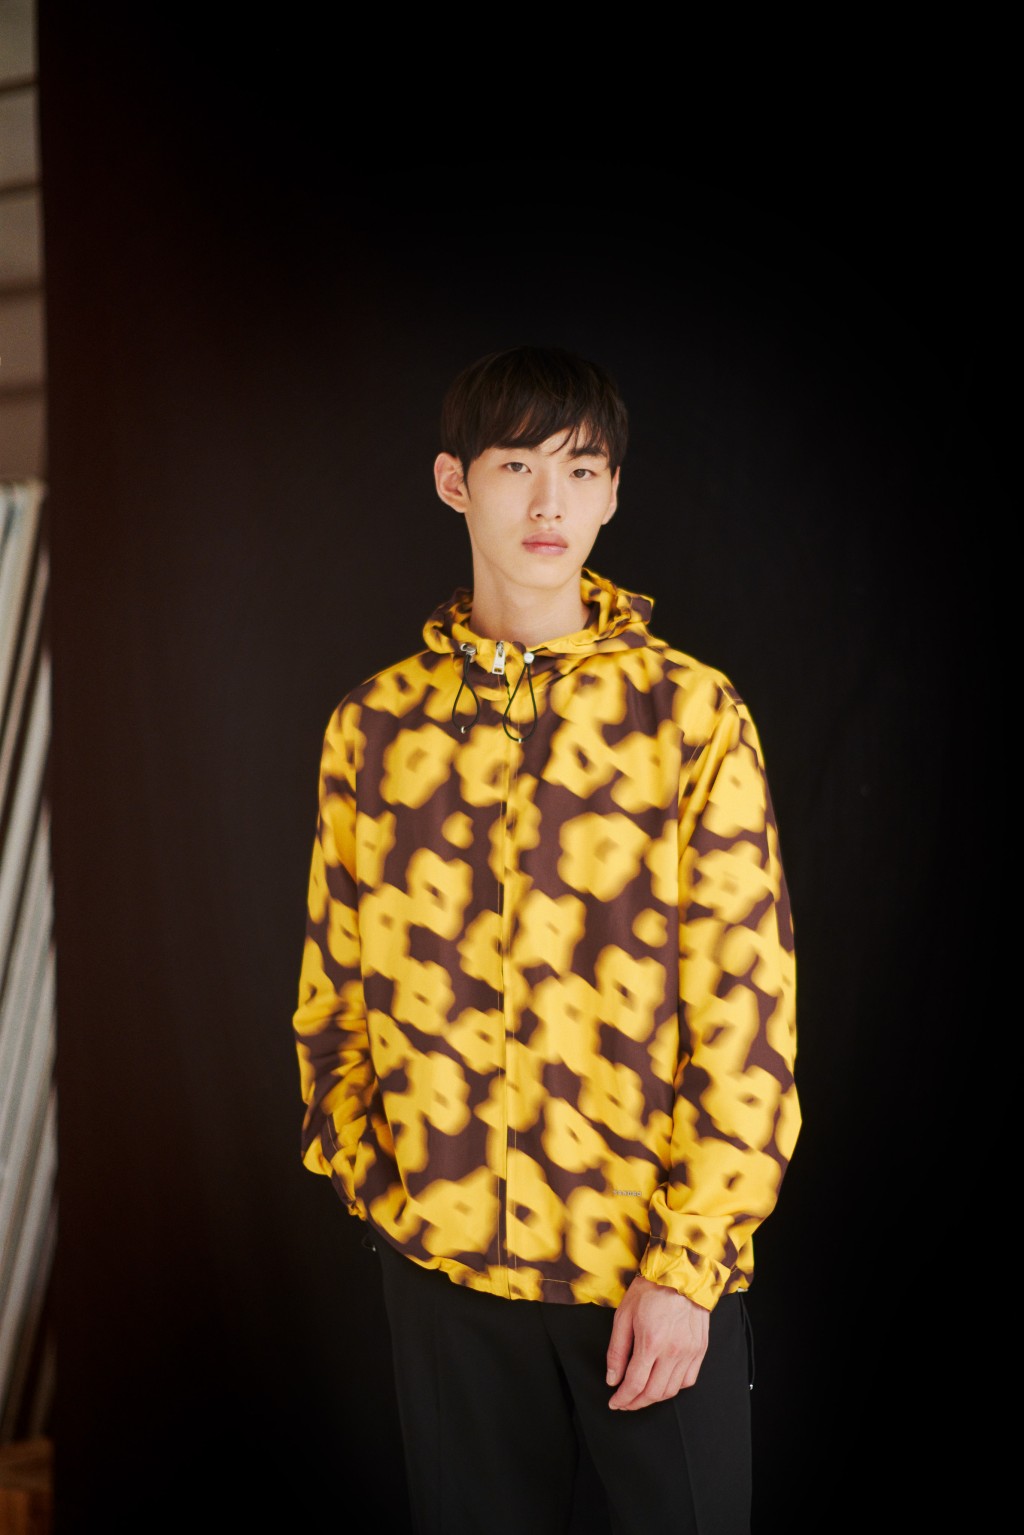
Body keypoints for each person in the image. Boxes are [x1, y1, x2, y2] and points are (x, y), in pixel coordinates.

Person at [291, 344, 801, 1534]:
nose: (546, 503)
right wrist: (387, 1192)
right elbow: (332, 992)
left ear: (612, 493)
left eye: (578, 469)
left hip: (648, 1278)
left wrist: (689, 1264)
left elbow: (748, 1015)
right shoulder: (374, 729)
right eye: (516, 464)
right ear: (453, 482)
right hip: (445, 1276)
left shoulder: (691, 716)